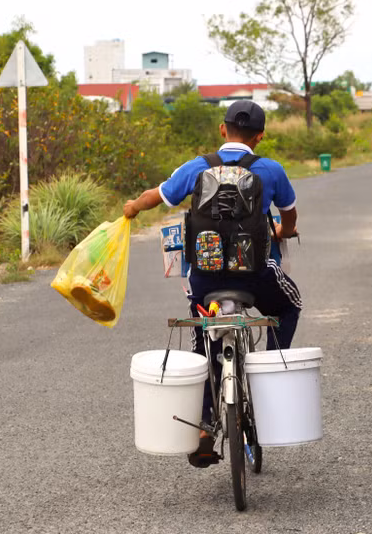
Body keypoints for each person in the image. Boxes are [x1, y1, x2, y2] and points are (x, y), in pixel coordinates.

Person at [122, 100, 302, 468]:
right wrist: (284, 231)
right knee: (289, 305)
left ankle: (205, 425)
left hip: (205, 277)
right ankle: (268, 379)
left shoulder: (197, 167)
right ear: (260, 136)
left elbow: (156, 196)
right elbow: (289, 215)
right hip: (255, 274)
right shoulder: (271, 170)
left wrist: (133, 207)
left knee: (203, 336)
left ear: (223, 130)